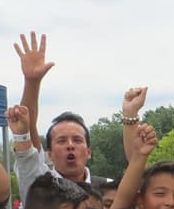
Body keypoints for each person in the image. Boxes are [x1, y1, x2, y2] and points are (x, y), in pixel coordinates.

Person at [9, 32, 111, 188]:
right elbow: (26, 127)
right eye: (61, 141)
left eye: (77, 140)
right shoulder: (39, 185)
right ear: (49, 154)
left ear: (89, 152)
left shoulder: (109, 189)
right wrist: (32, 82)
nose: (70, 145)